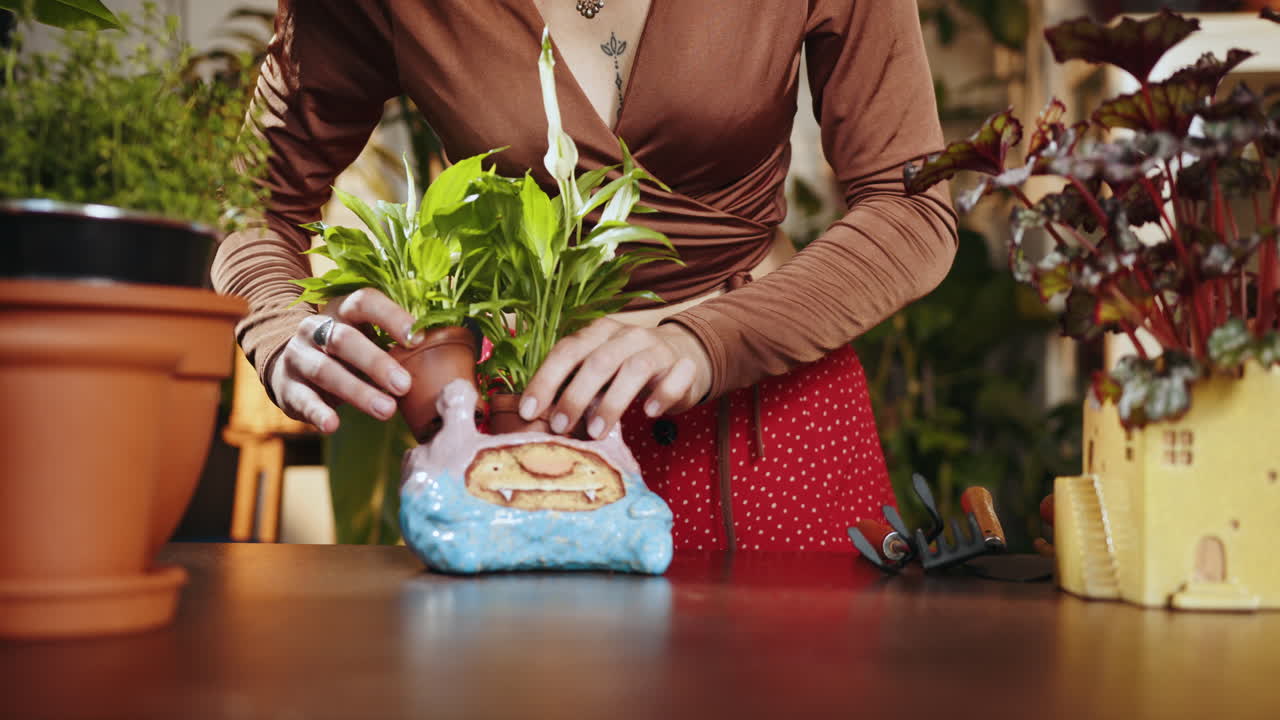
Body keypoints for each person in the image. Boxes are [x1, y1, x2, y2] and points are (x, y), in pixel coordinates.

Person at [212, 0, 958, 552]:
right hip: (524, 444)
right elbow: (250, 201)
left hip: (774, 426)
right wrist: (279, 324)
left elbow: (912, 204)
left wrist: (703, 342)